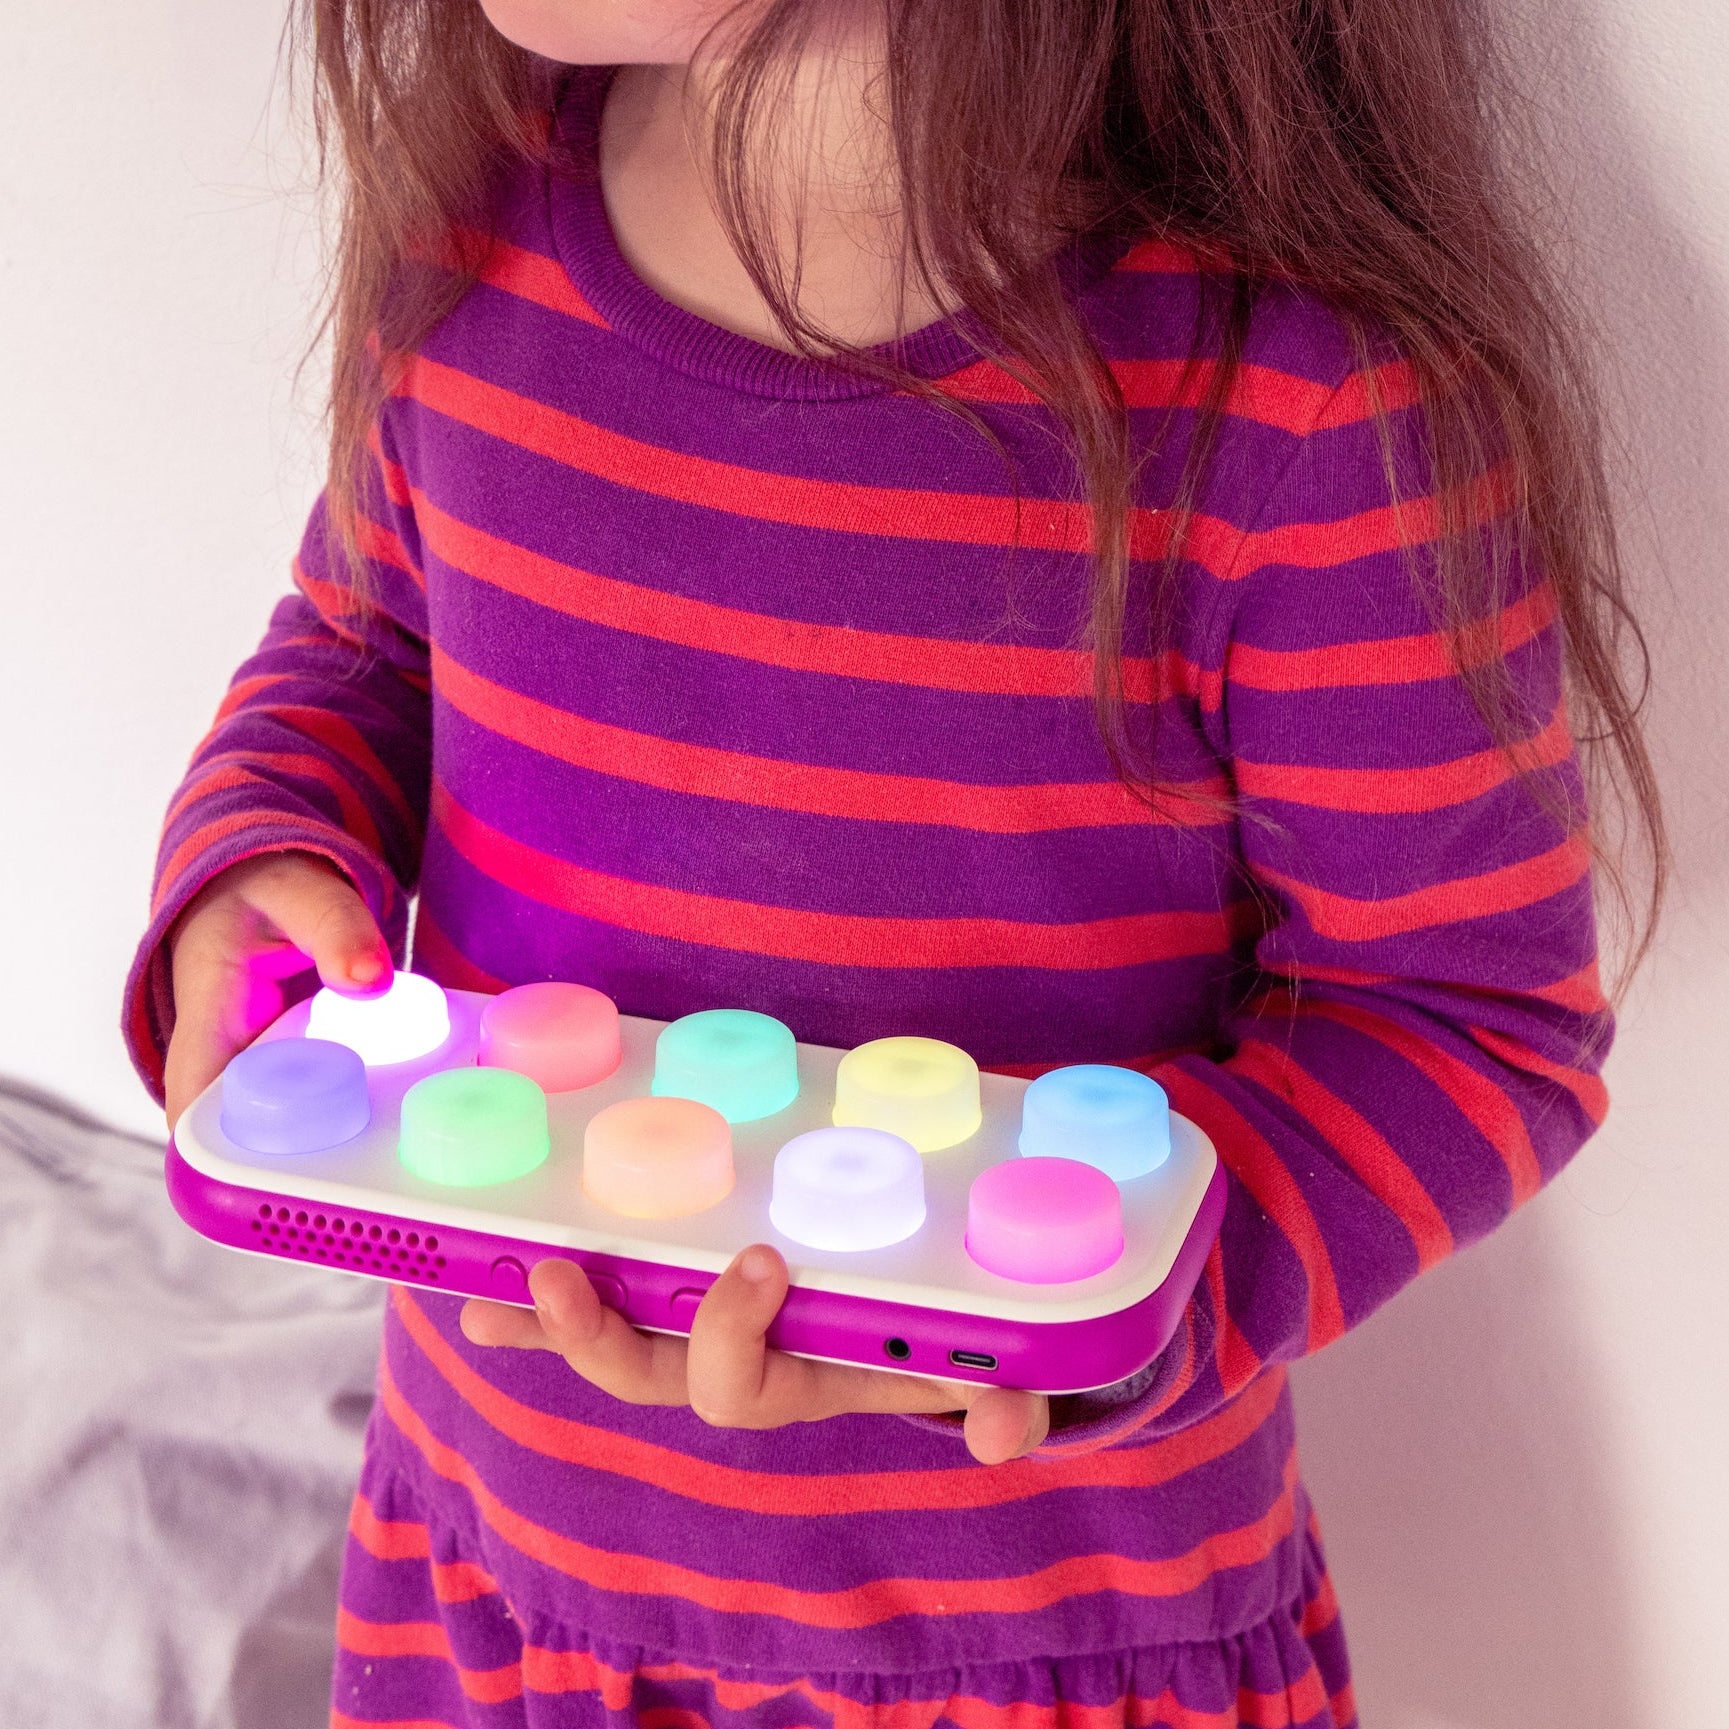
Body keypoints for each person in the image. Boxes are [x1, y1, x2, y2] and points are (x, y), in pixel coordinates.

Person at [124, 0, 1665, 1723]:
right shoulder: (472, 243)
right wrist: (262, 853)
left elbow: (1464, 1023)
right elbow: (360, 652)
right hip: (499, 1572)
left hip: (1041, 1638)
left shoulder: (1298, 416)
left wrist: (1046, 1309)